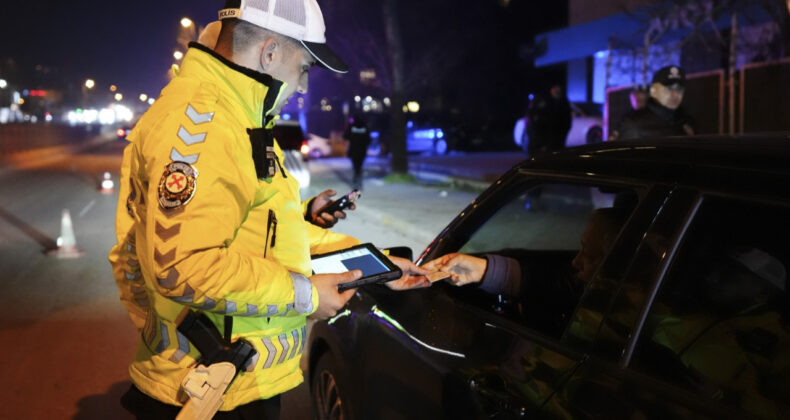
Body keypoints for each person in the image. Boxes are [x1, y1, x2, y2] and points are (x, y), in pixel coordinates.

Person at [108, 1, 428, 418]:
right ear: (270, 52)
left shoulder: (242, 116)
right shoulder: (207, 125)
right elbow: (182, 266)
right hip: (205, 387)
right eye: (305, 68)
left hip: (229, 378)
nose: (302, 87)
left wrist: (376, 263)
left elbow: (272, 232)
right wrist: (307, 296)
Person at [422, 208, 627, 335]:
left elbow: (562, 289)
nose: (575, 261)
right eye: (580, 250)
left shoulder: (616, 324)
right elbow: (560, 285)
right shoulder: (615, 300)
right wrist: (483, 270)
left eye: (590, 256)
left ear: (620, 270)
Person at [611, 65, 695, 141]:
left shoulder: (687, 122)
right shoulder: (634, 125)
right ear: (653, 91)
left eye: (679, 89)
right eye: (668, 88)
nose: (675, 94)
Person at [343, 114, 371, 189]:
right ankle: (358, 180)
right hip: (362, 150)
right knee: (360, 165)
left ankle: (356, 179)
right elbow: (368, 140)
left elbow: (345, 136)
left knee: (355, 166)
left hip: (353, 150)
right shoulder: (365, 127)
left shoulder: (351, 127)